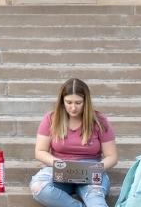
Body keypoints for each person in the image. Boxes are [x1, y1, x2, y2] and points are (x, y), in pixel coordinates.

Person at [31, 78, 118, 207]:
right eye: (68, 102)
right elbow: (40, 151)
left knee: (96, 202)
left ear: (86, 101)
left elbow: (112, 157)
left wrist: (94, 169)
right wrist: (59, 164)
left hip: (90, 169)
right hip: (60, 167)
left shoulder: (99, 120)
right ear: (62, 101)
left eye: (78, 103)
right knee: (39, 188)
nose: (73, 108)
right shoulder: (51, 119)